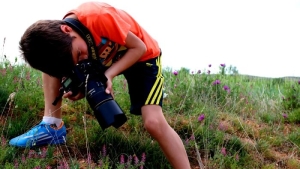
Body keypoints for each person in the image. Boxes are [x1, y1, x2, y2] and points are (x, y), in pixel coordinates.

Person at [9, 1, 191, 168]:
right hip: (105, 57)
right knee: (50, 64)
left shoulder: (98, 17)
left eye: (79, 54)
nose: (82, 58)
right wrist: (80, 87)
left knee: (153, 122)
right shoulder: (66, 44)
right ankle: (52, 125)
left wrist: (108, 75)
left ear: (66, 29)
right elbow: (76, 59)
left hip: (142, 56)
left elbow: (139, 47)